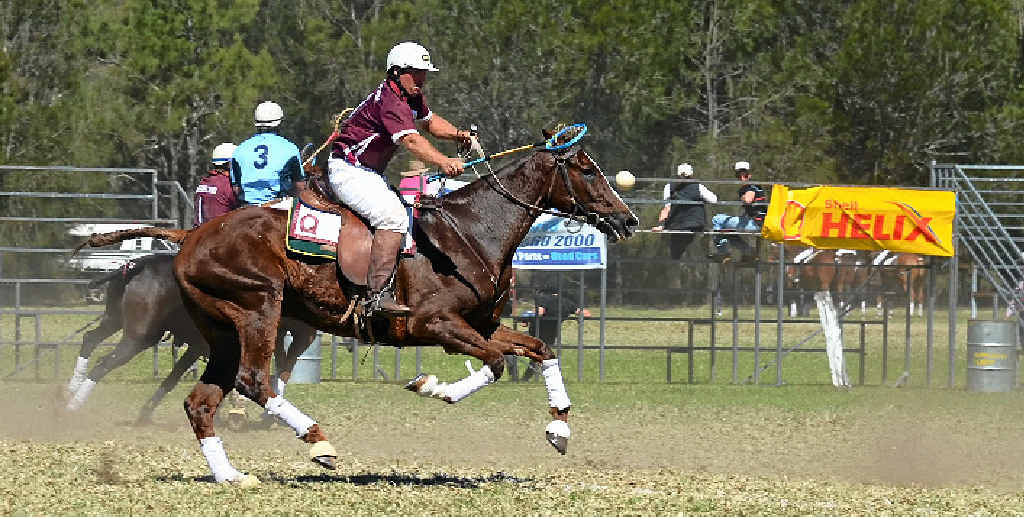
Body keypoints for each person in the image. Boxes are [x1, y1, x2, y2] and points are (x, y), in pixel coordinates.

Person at [327, 41, 472, 318]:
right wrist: (444, 161)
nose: (422, 78)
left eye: (424, 72)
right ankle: (376, 295)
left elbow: (429, 123)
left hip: (366, 172)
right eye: (416, 72)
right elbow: (412, 141)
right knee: (393, 217)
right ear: (396, 72)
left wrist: (459, 134)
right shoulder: (391, 101)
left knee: (406, 215)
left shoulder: (410, 95)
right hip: (348, 170)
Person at [230, 101, 306, 206]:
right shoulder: (290, 148)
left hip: (247, 208)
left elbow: (236, 188)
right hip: (279, 207)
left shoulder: (239, 150)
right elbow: (299, 186)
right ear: (279, 123)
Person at [652, 163, 718, 260]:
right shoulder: (698, 187)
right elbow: (714, 200)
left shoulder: (668, 187)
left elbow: (666, 208)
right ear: (691, 174)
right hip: (696, 225)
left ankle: (675, 261)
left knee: (675, 254)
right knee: (703, 236)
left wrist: (661, 225)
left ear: (678, 175)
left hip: (676, 226)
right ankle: (708, 253)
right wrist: (700, 199)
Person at [710, 161, 768, 262]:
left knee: (717, 219)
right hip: (757, 223)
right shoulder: (752, 187)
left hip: (755, 223)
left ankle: (723, 252)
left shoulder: (751, 186)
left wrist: (743, 196)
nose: (742, 178)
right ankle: (748, 252)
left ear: (749, 175)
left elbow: (748, 200)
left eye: (744, 175)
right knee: (726, 232)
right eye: (739, 175)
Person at [193, 143, 240, 228]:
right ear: (230, 164)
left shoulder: (204, 182)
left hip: (199, 234)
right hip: (221, 235)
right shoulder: (228, 185)